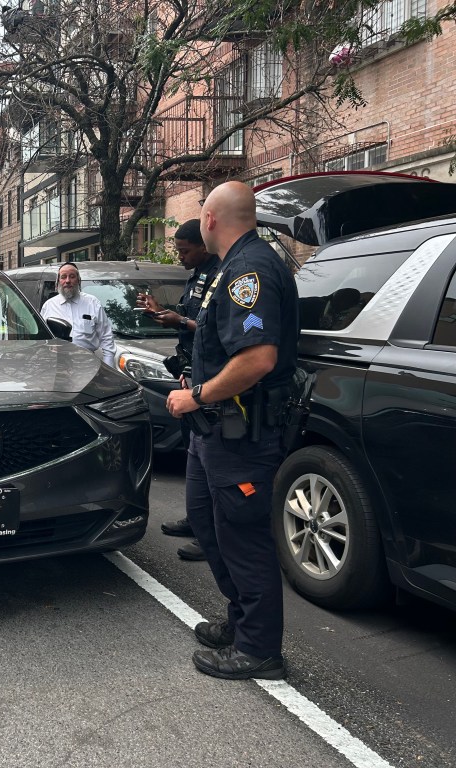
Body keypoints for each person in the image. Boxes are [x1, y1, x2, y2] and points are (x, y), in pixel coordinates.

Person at [165, 181, 299, 681]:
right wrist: (197, 380)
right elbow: (226, 344)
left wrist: (198, 395)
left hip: (241, 433)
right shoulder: (230, 266)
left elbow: (259, 358)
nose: (198, 220)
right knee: (207, 520)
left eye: (202, 211)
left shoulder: (250, 269)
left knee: (242, 536)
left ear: (213, 219)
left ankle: (260, 650)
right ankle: (243, 620)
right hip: (214, 430)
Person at [136, 219, 220, 562]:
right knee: (193, 453)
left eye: (185, 251)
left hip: (207, 379)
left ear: (203, 246)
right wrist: (163, 313)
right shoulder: (198, 274)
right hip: (189, 369)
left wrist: (180, 322)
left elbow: (216, 327)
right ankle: (197, 518)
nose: (180, 257)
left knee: (211, 460)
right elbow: (190, 314)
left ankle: (211, 534)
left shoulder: (221, 274)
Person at [41, 261, 116, 366]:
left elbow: (106, 338)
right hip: (57, 366)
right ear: (58, 282)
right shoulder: (49, 306)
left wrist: (109, 368)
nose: (67, 281)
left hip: (87, 365)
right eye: (63, 277)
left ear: (79, 281)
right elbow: (42, 340)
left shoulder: (92, 303)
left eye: (72, 276)